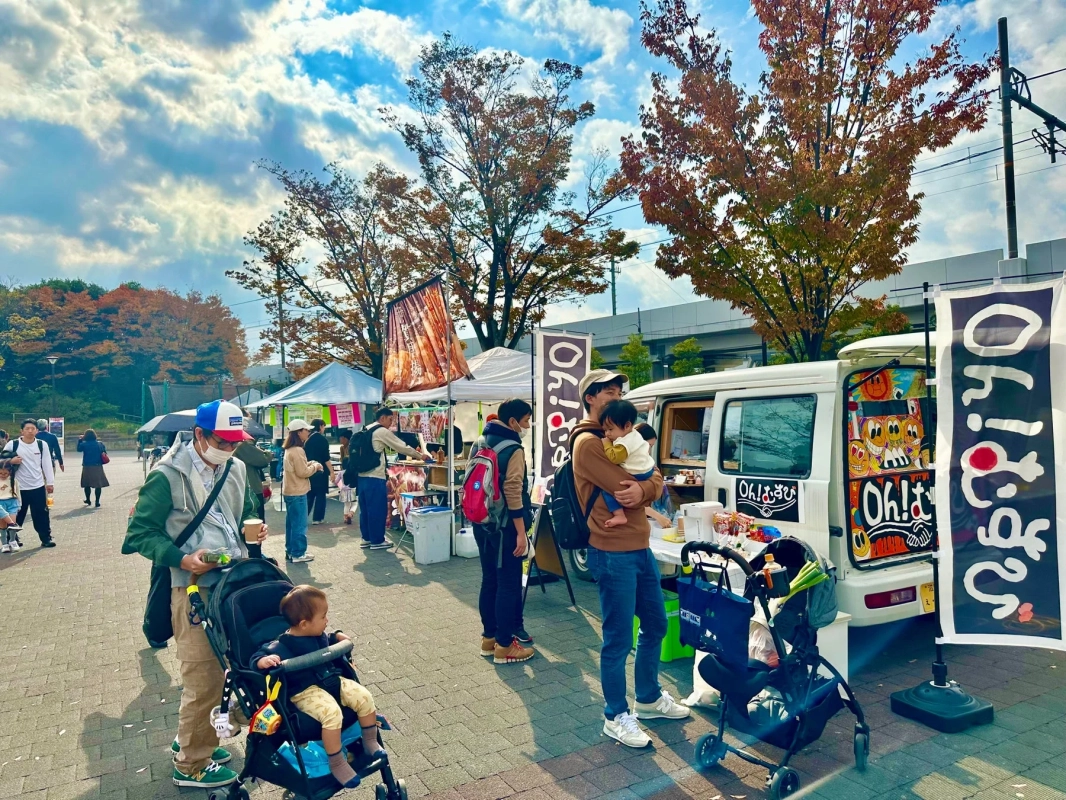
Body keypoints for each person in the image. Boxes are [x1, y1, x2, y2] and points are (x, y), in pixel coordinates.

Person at [122, 400, 268, 790]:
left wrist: (255, 532)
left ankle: (195, 739)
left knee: (224, 672)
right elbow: (138, 535)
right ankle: (190, 764)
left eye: (236, 443)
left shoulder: (235, 468)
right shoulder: (166, 475)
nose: (229, 449)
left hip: (232, 585)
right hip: (191, 591)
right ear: (199, 435)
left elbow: (246, 512)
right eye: (222, 441)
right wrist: (182, 559)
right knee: (202, 678)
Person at [571, 370, 689, 748]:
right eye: (608, 392)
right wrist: (646, 487)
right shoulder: (589, 442)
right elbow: (630, 486)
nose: (617, 396)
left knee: (655, 624)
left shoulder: (623, 436)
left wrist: (646, 487)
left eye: (620, 391)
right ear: (590, 398)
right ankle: (615, 715)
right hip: (611, 551)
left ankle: (650, 698)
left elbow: (653, 478)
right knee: (618, 637)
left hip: (639, 548)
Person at [251, 585, 383, 788]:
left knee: (363, 696)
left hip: (329, 680)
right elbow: (256, 658)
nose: (327, 620)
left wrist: (337, 635)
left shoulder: (317, 634)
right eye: (323, 617)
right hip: (304, 691)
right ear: (304, 624)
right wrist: (264, 661)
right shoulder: (281, 646)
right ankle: (337, 761)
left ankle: (369, 740)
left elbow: (328, 638)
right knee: (332, 713)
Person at [473, 399, 535, 665]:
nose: (528, 426)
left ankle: (489, 638)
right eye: (525, 420)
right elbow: (513, 491)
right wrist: (521, 533)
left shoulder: (480, 441)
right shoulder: (513, 448)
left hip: (482, 521)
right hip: (505, 526)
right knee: (509, 584)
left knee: (490, 580)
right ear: (512, 422)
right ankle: (504, 646)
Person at [356, 408, 424, 550]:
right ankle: (377, 540)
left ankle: (366, 538)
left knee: (366, 510)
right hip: (375, 477)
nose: (391, 423)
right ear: (382, 418)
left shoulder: (365, 429)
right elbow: (401, 446)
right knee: (377, 509)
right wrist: (420, 455)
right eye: (390, 419)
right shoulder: (381, 431)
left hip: (361, 477)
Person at [600, 401, 657, 529]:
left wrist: (606, 444)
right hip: (647, 469)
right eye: (605, 430)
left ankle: (619, 515)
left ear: (627, 426)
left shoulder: (624, 443)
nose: (607, 434)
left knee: (607, 490)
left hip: (637, 473)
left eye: (610, 429)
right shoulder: (634, 435)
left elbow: (614, 458)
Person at [1, 419, 55, 548]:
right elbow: (1, 460)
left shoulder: (42, 445)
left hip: (37, 486)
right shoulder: (13, 444)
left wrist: (50, 483)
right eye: (27, 428)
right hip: (17, 487)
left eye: (33, 428)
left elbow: (47, 464)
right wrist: (11, 460)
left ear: (37, 430)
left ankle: (45, 538)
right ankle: (12, 539)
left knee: (41, 514)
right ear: (22, 431)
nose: (30, 431)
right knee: (16, 514)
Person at [282, 420, 323, 563]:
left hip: (289, 491)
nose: (308, 432)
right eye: (306, 430)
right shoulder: (298, 450)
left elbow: (298, 468)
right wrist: (316, 467)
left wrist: (311, 464)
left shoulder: (289, 449)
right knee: (299, 524)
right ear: (299, 432)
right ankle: (298, 553)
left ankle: (291, 550)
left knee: (292, 524)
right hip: (297, 492)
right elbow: (302, 472)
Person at [634, 423, 675, 527]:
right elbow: (634, 500)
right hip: (637, 519)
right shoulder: (630, 466)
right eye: (649, 445)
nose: (649, 450)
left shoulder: (647, 463)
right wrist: (658, 517)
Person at [304, 419, 333, 526]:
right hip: (321, 470)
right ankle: (317, 518)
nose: (324, 429)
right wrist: (332, 472)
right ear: (320, 426)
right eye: (324, 426)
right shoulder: (322, 440)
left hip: (308, 470)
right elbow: (326, 458)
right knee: (321, 495)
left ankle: (303, 516)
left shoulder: (306, 438)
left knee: (309, 494)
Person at [235, 438, 271, 521]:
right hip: (252, 487)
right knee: (256, 517)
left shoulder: (240, 446)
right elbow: (263, 459)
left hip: (246, 485)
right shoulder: (244, 446)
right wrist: (267, 452)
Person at [77, 429, 109, 507]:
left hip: (87, 466)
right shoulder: (100, 444)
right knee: (98, 485)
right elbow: (105, 452)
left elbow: (78, 449)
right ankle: (97, 501)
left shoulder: (84, 444)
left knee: (87, 484)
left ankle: (88, 499)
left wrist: (80, 440)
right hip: (97, 466)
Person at [0, 462, 24, 553]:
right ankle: (4, 544)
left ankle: (13, 541)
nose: (3, 475)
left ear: (10, 472)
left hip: (12, 502)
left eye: (5, 473)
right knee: (2, 526)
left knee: (12, 524)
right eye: (1, 473)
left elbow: (18, 492)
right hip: (1, 503)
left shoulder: (13, 480)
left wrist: (19, 504)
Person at [336, 430, 355, 525]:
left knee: (348, 502)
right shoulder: (342, 448)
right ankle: (349, 515)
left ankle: (346, 515)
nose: (340, 439)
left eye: (342, 438)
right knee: (353, 501)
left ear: (346, 438)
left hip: (351, 472)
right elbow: (342, 459)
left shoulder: (352, 446)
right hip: (345, 473)